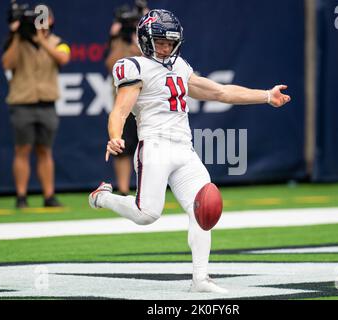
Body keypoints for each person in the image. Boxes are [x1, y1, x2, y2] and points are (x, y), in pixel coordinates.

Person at [88, 9, 291, 293]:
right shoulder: (134, 67)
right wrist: (115, 136)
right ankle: (103, 198)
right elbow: (120, 109)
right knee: (147, 214)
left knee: (203, 208)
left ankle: (200, 279)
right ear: (145, 40)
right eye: (159, 41)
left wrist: (266, 96)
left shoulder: (180, 67)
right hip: (155, 145)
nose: (165, 47)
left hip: (184, 148)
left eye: (170, 42)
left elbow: (220, 92)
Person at [2, 5, 70, 208]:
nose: (42, 21)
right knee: (22, 150)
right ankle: (21, 196)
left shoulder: (58, 42)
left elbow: (63, 58)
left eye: (45, 17)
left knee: (45, 150)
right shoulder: (15, 42)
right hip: (22, 103)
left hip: (47, 104)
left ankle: (49, 195)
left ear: (51, 20)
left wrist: (41, 39)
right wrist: (16, 34)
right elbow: (7, 63)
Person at [104, 3, 147, 195]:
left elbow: (152, 59)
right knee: (123, 146)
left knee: (148, 147)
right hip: (127, 102)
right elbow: (111, 64)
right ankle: (123, 189)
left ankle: (146, 188)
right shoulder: (118, 40)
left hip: (147, 102)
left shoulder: (147, 37)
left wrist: (138, 38)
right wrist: (117, 38)